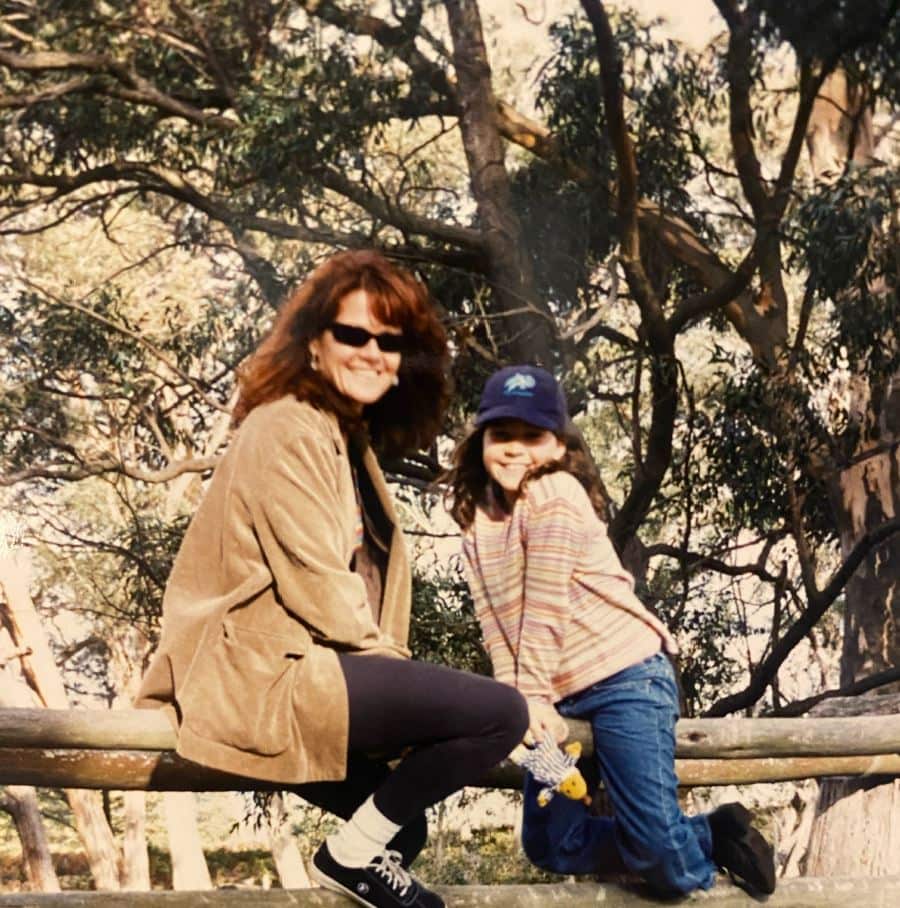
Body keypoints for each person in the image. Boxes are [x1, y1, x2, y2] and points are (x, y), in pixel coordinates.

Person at [136, 251, 529, 908]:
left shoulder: (344, 441)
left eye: (390, 341)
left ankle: (354, 860)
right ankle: (346, 860)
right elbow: (317, 580)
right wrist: (400, 687)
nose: (373, 353)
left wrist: (397, 686)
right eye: (353, 334)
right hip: (260, 673)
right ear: (314, 343)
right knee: (501, 713)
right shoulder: (284, 423)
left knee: (401, 830)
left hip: (294, 671)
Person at [443, 364, 776, 898]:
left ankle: (695, 850)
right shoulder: (477, 523)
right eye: (502, 434)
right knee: (554, 844)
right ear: (480, 438)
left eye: (533, 436)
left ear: (559, 445)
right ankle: (710, 833)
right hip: (554, 698)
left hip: (624, 680)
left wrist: (530, 696)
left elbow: (546, 606)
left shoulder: (553, 493)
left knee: (659, 856)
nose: (514, 449)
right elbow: (496, 627)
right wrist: (518, 708)